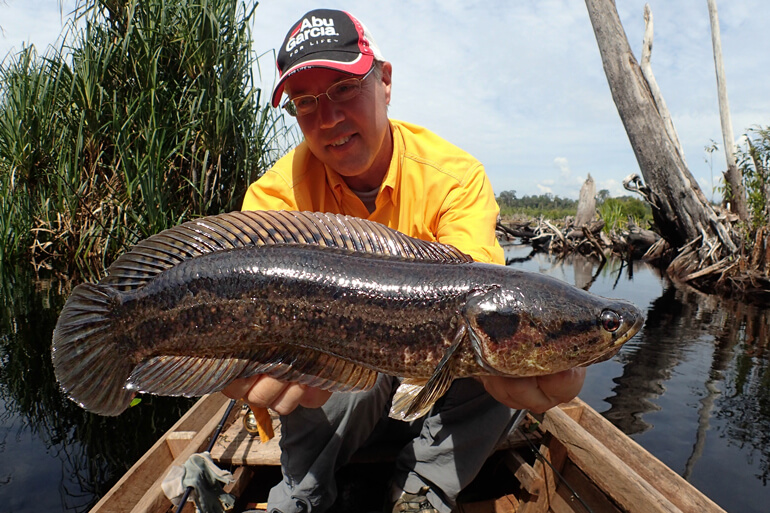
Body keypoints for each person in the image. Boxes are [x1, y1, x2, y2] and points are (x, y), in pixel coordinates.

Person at [223, 9, 585, 513]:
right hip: (343, 378)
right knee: (308, 362)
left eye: (345, 89)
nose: (328, 119)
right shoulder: (275, 198)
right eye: (306, 102)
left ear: (385, 81)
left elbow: (480, 291)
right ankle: (303, 494)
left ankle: (423, 490)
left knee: (492, 348)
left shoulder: (454, 177)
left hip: (435, 369)